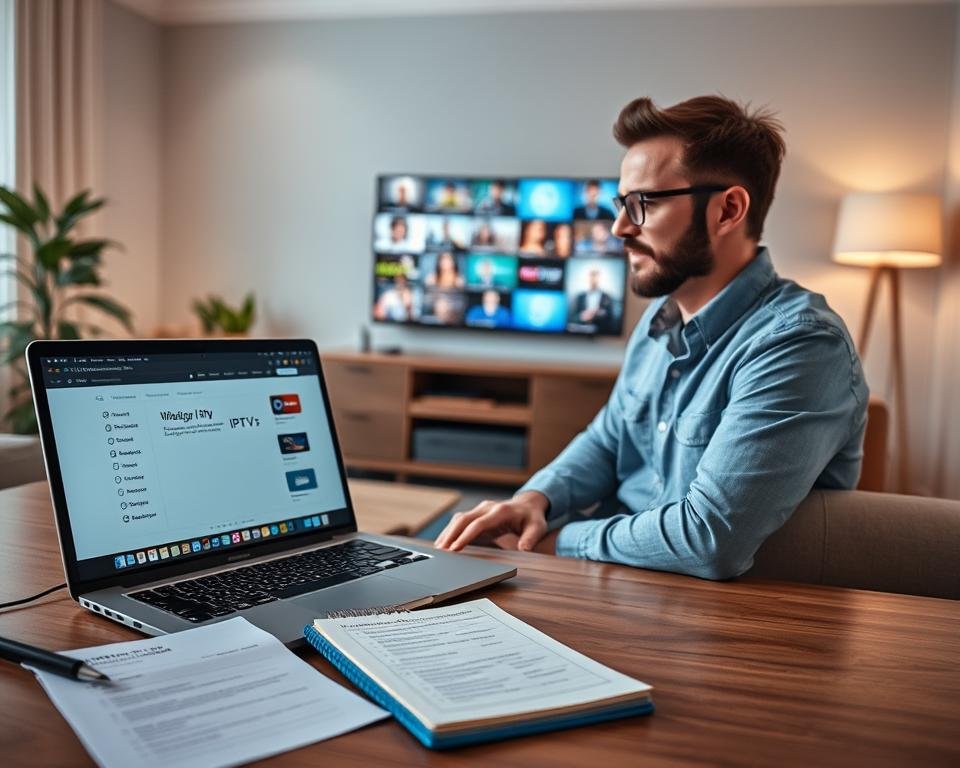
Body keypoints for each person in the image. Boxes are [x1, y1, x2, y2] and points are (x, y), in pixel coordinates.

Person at [435, 95, 868, 581]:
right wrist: (534, 499)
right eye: (621, 204)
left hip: (729, 622)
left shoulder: (800, 345)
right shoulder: (659, 321)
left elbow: (710, 538)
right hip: (626, 581)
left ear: (727, 210)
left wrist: (561, 542)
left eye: (643, 204)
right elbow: (609, 438)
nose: (619, 228)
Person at [571, 267, 615, 332]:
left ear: (599, 279)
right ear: (589, 278)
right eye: (592, 277)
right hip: (581, 331)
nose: (593, 280)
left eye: (595, 277)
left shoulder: (607, 297)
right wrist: (582, 316)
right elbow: (573, 317)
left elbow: (612, 318)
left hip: (601, 332)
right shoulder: (580, 297)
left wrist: (599, 314)